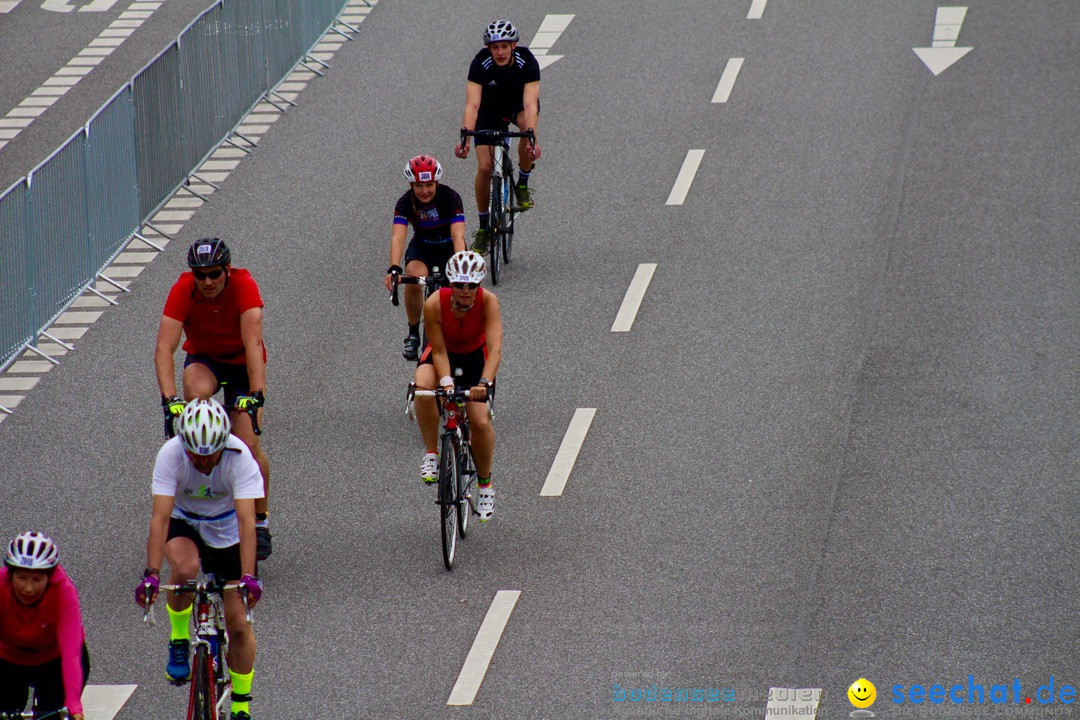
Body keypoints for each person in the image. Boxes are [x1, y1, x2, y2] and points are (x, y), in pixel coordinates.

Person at [135, 398, 264, 720]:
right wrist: (151, 574)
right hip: (185, 521)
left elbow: (248, 522)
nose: (204, 463)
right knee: (185, 568)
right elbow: (160, 518)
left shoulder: (239, 456)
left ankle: (241, 703)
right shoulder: (170, 454)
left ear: (224, 444)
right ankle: (178, 637)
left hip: (228, 529)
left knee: (239, 625)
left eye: (211, 456)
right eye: (196, 455)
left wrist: (248, 576)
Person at [155, 238, 274, 560]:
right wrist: (169, 399)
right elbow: (164, 348)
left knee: (248, 445)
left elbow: (253, 343)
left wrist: (256, 394)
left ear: (226, 270)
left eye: (214, 274)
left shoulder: (244, 285)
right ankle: (201, 505)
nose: (207, 281)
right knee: (196, 399)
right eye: (200, 275)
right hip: (204, 359)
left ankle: (260, 521)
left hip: (241, 363)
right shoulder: (183, 289)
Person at [413, 251, 503, 520]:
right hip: (443, 354)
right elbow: (437, 351)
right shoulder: (433, 303)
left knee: (480, 422)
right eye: (459, 285)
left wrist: (484, 383)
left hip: (476, 359)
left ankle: (485, 486)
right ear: (450, 284)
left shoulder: (488, 302)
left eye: (472, 285)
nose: (465, 291)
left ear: (479, 284)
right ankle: (432, 453)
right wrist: (446, 382)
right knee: (423, 388)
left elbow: (496, 349)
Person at [453, 19, 542, 255]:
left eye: (504, 46)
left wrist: (532, 137)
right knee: (484, 167)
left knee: (526, 128)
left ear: (514, 45)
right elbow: (472, 104)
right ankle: (483, 229)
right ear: (488, 49)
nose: (500, 52)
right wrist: (466, 138)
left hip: (517, 106)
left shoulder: (527, 61)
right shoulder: (480, 63)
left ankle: (522, 184)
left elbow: (530, 103)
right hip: (488, 110)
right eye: (494, 47)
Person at [383, 155, 468, 360]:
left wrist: (460, 265)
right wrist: (394, 268)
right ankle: (413, 333)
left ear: (437, 182)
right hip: (423, 249)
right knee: (414, 277)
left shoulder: (450, 197)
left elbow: (458, 235)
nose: (424, 191)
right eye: (419, 185)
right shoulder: (405, 203)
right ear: (411, 184)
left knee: (460, 289)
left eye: (429, 184)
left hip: (449, 249)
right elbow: (398, 236)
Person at [0, 531, 89, 720]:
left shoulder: (64, 592)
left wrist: (74, 705)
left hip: (53, 661)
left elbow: (71, 654)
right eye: (22, 578)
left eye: (37, 579)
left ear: (49, 578)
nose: (28, 588)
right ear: (10, 575)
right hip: (7, 659)